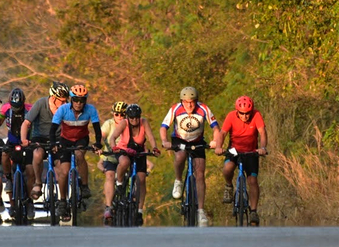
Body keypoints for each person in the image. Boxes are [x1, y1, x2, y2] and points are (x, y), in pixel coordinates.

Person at [160, 86, 221, 227]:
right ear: (181, 101)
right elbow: (164, 127)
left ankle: (200, 211)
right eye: (186, 102)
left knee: (199, 174)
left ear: (196, 101)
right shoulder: (175, 108)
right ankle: (178, 181)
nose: (189, 105)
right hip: (180, 140)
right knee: (180, 156)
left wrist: (215, 141)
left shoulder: (204, 108)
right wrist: (164, 141)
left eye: (192, 102)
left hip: (197, 141)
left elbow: (216, 128)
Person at [49, 84, 102, 220]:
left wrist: (97, 143)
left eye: (82, 100)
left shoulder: (91, 110)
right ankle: (62, 200)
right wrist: (53, 143)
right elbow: (53, 128)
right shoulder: (63, 109)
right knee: (64, 171)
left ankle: (84, 186)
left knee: (79, 155)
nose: (79, 103)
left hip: (81, 139)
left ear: (85, 101)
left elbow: (97, 129)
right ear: (71, 100)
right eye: (76, 100)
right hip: (65, 139)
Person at [214, 95, 267, 226]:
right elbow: (222, 133)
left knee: (252, 180)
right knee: (227, 169)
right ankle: (229, 185)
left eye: (247, 113)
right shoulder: (231, 116)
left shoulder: (256, 115)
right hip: (234, 150)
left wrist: (263, 147)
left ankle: (253, 211)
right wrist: (219, 147)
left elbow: (262, 132)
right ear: (237, 111)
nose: (245, 116)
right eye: (242, 114)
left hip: (251, 151)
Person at [108, 104, 161, 226]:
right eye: (132, 118)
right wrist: (113, 147)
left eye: (137, 118)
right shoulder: (124, 123)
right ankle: (119, 182)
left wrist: (154, 148)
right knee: (125, 162)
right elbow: (113, 137)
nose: (134, 120)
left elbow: (151, 137)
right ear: (128, 117)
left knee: (141, 179)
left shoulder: (144, 122)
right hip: (124, 150)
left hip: (139, 152)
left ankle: (139, 211)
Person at [20, 82, 70, 202]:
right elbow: (26, 123)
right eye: (61, 101)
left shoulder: (67, 108)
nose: (64, 104)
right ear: (53, 98)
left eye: (65, 101)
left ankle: (63, 200)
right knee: (37, 154)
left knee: (61, 168)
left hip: (57, 139)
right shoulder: (41, 103)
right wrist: (24, 139)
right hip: (40, 138)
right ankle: (38, 183)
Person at [0, 88, 36, 218]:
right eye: (14, 107)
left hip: (27, 142)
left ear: (23, 102)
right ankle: (9, 179)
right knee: (4, 154)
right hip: (12, 142)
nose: (16, 109)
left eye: (19, 107)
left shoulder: (30, 109)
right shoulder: (5, 108)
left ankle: (29, 202)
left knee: (30, 172)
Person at [99, 101, 128, 224]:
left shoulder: (128, 124)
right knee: (110, 176)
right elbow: (102, 136)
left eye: (122, 114)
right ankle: (109, 206)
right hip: (110, 157)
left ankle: (131, 199)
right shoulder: (109, 124)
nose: (119, 117)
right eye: (117, 114)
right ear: (113, 114)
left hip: (125, 156)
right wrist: (99, 146)